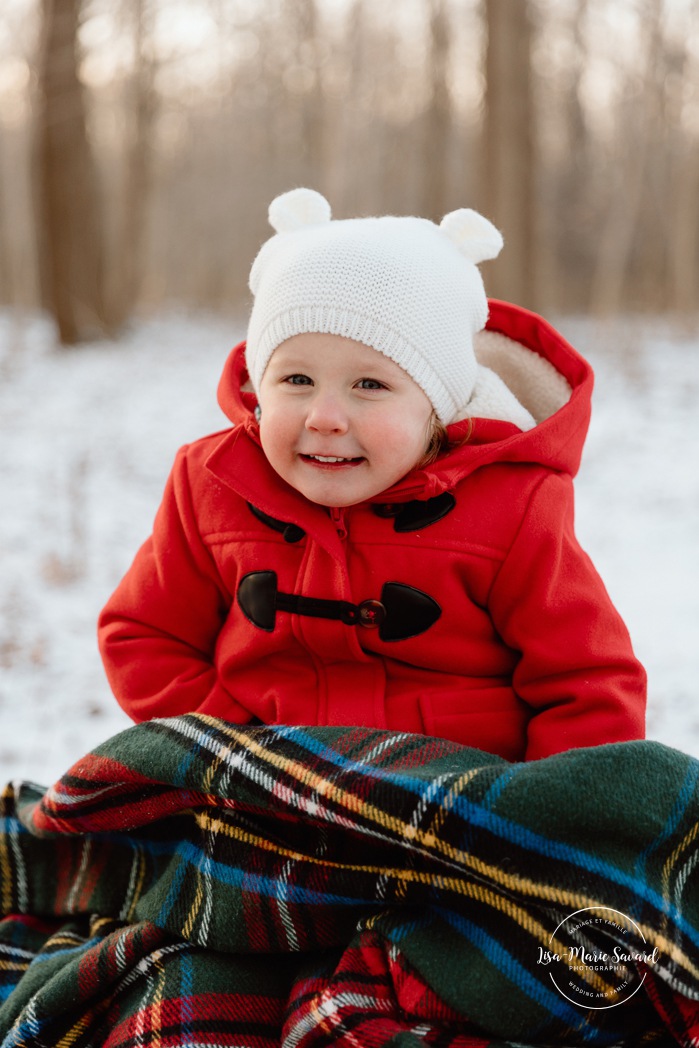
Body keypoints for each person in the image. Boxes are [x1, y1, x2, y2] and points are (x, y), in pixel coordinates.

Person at [98, 188, 646, 762]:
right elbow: (142, 634)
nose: (325, 417)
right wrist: (228, 743)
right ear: (260, 386)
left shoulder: (513, 504)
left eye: (370, 385)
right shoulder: (210, 483)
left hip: (454, 798)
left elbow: (590, 681)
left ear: (438, 405)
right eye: (296, 381)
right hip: (264, 791)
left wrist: (537, 817)